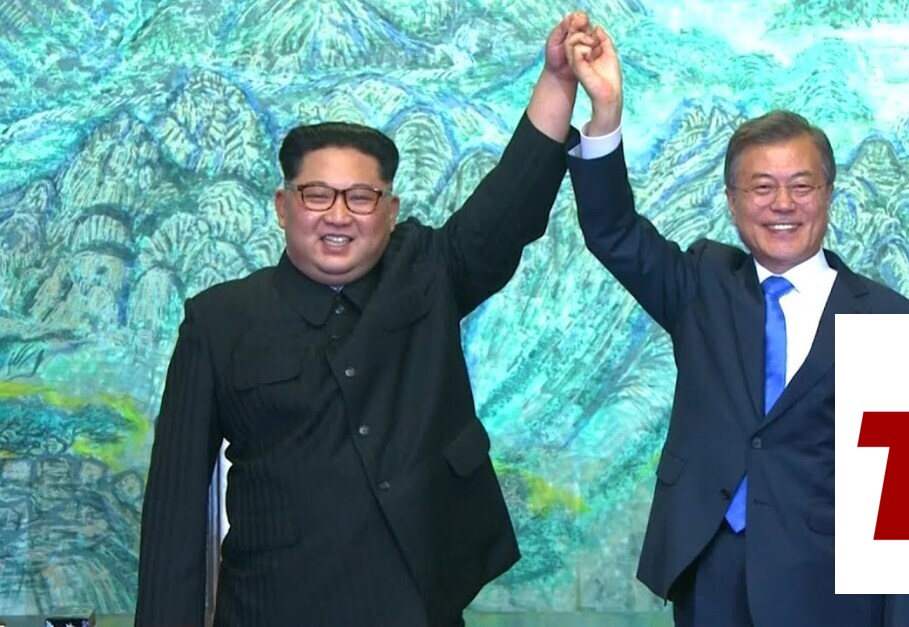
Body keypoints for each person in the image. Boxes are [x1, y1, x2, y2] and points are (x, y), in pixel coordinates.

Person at [135, 13, 597, 626]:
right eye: (316, 195)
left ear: (389, 210)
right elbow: (174, 510)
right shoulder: (218, 321)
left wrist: (558, 79)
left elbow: (511, 202)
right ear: (283, 207)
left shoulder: (426, 274)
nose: (338, 215)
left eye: (361, 197)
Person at [562, 24, 909, 627]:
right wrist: (605, 112)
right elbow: (613, 232)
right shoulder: (702, 284)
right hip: (711, 572)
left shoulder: (892, 322)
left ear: (828, 195)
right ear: (733, 202)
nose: (782, 205)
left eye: (801, 186)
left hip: (833, 585)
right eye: (762, 188)